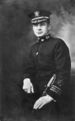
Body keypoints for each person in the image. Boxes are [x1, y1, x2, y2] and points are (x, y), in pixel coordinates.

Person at [22, 10, 71, 121]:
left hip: (54, 98)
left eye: (42, 24)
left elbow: (63, 73)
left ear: (48, 26)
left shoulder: (58, 44)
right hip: (36, 96)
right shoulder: (33, 48)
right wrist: (26, 78)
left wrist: (50, 96)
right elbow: (28, 68)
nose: (38, 28)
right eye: (35, 25)